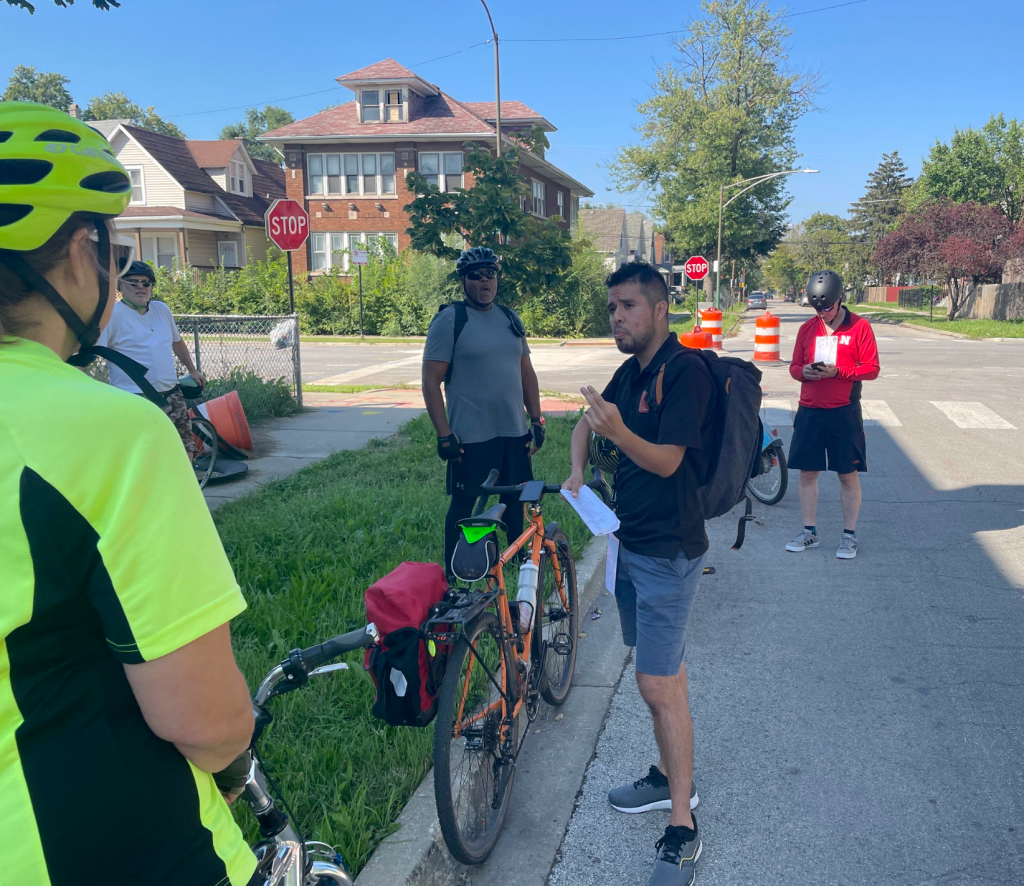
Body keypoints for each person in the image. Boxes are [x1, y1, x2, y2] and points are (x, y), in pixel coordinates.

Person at [0, 101, 258, 886]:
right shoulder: (108, 430)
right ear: (82, 252)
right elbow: (206, 725)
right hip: (96, 844)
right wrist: (235, 737)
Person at [562, 262, 716, 886]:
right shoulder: (632, 373)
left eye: (627, 306)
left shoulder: (686, 373)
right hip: (631, 543)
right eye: (612, 308)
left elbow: (666, 461)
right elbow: (585, 420)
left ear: (658, 310)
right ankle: (663, 775)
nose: (617, 317)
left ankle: (682, 822)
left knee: (659, 684)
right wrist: (576, 470)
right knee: (660, 673)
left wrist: (619, 432)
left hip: (669, 552)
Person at [422, 246, 545, 576]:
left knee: (516, 503)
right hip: (471, 438)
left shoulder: (509, 318)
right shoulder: (451, 320)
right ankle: (456, 577)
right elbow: (430, 381)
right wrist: (443, 434)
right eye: (475, 275)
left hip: (515, 434)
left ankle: (518, 570)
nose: (484, 280)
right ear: (464, 281)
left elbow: (526, 373)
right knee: (466, 509)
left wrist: (536, 419)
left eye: (490, 273)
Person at [785, 269, 880, 559]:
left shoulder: (860, 327)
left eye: (826, 307)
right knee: (807, 473)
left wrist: (840, 372)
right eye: (817, 308)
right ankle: (809, 532)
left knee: (847, 474)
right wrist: (805, 373)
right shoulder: (807, 329)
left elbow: (872, 369)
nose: (822, 313)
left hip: (843, 411)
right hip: (810, 410)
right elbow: (793, 367)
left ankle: (848, 536)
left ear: (839, 300)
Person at [98, 259, 205, 460]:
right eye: (133, 282)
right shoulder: (113, 315)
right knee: (146, 455)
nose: (140, 287)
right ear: (121, 285)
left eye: (146, 283)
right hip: (136, 398)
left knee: (185, 449)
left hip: (172, 394)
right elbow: (97, 352)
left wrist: (192, 370)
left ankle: (182, 490)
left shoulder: (161, 310)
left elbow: (177, 343)